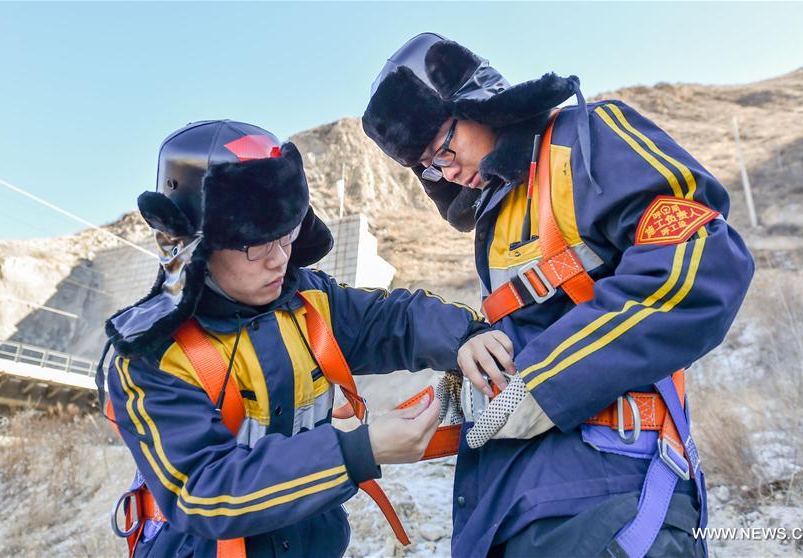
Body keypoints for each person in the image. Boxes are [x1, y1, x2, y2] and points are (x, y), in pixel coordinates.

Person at [362, 33, 754, 557]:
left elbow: (701, 257)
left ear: (479, 103)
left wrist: (545, 382)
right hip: (508, 512)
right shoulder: (495, 220)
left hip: (609, 498)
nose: (446, 171)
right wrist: (469, 391)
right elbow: (537, 328)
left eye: (444, 148)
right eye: (429, 167)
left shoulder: (585, 138)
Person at [98, 119, 513, 557]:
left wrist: (464, 336)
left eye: (287, 235)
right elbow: (203, 489)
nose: (280, 259)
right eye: (257, 245)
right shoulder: (150, 356)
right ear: (193, 246)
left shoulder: (309, 300)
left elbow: (392, 319)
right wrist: (359, 450)